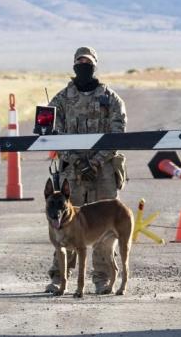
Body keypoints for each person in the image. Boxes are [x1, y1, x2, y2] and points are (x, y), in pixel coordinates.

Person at [45, 46, 128, 294]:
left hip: (102, 173)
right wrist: (77, 161)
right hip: (73, 174)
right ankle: (60, 278)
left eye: (88, 62)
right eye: (80, 61)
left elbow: (118, 134)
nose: (84, 65)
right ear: (73, 65)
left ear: (94, 65)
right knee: (63, 226)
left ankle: (102, 278)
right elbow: (52, 132)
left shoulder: (110, 98)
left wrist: (95, 162)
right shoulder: (61, 99)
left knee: (104, 230)